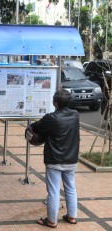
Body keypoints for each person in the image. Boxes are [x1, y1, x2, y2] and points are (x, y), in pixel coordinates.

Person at [27, 89, 79, 228]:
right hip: (71, 159)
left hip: (55, 160)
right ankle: (72, 217)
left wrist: (30, 127)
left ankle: (51, 221)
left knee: (53, 191)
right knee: (71, 188)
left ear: (55, 102)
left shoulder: (51, 117)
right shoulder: (75, 115)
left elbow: (37, 127)